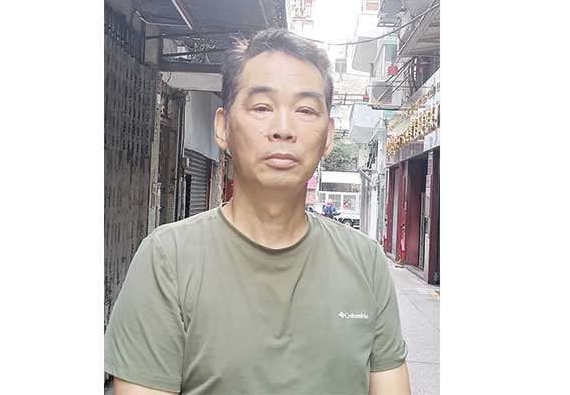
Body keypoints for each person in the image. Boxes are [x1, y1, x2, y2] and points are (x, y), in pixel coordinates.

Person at [104, 29, 411, 395]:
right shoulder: (167, 259)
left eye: (305, 110)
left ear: (328, 135)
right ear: (223, 126)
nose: (283, 129)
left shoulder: (365, 261)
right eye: (262, 107)